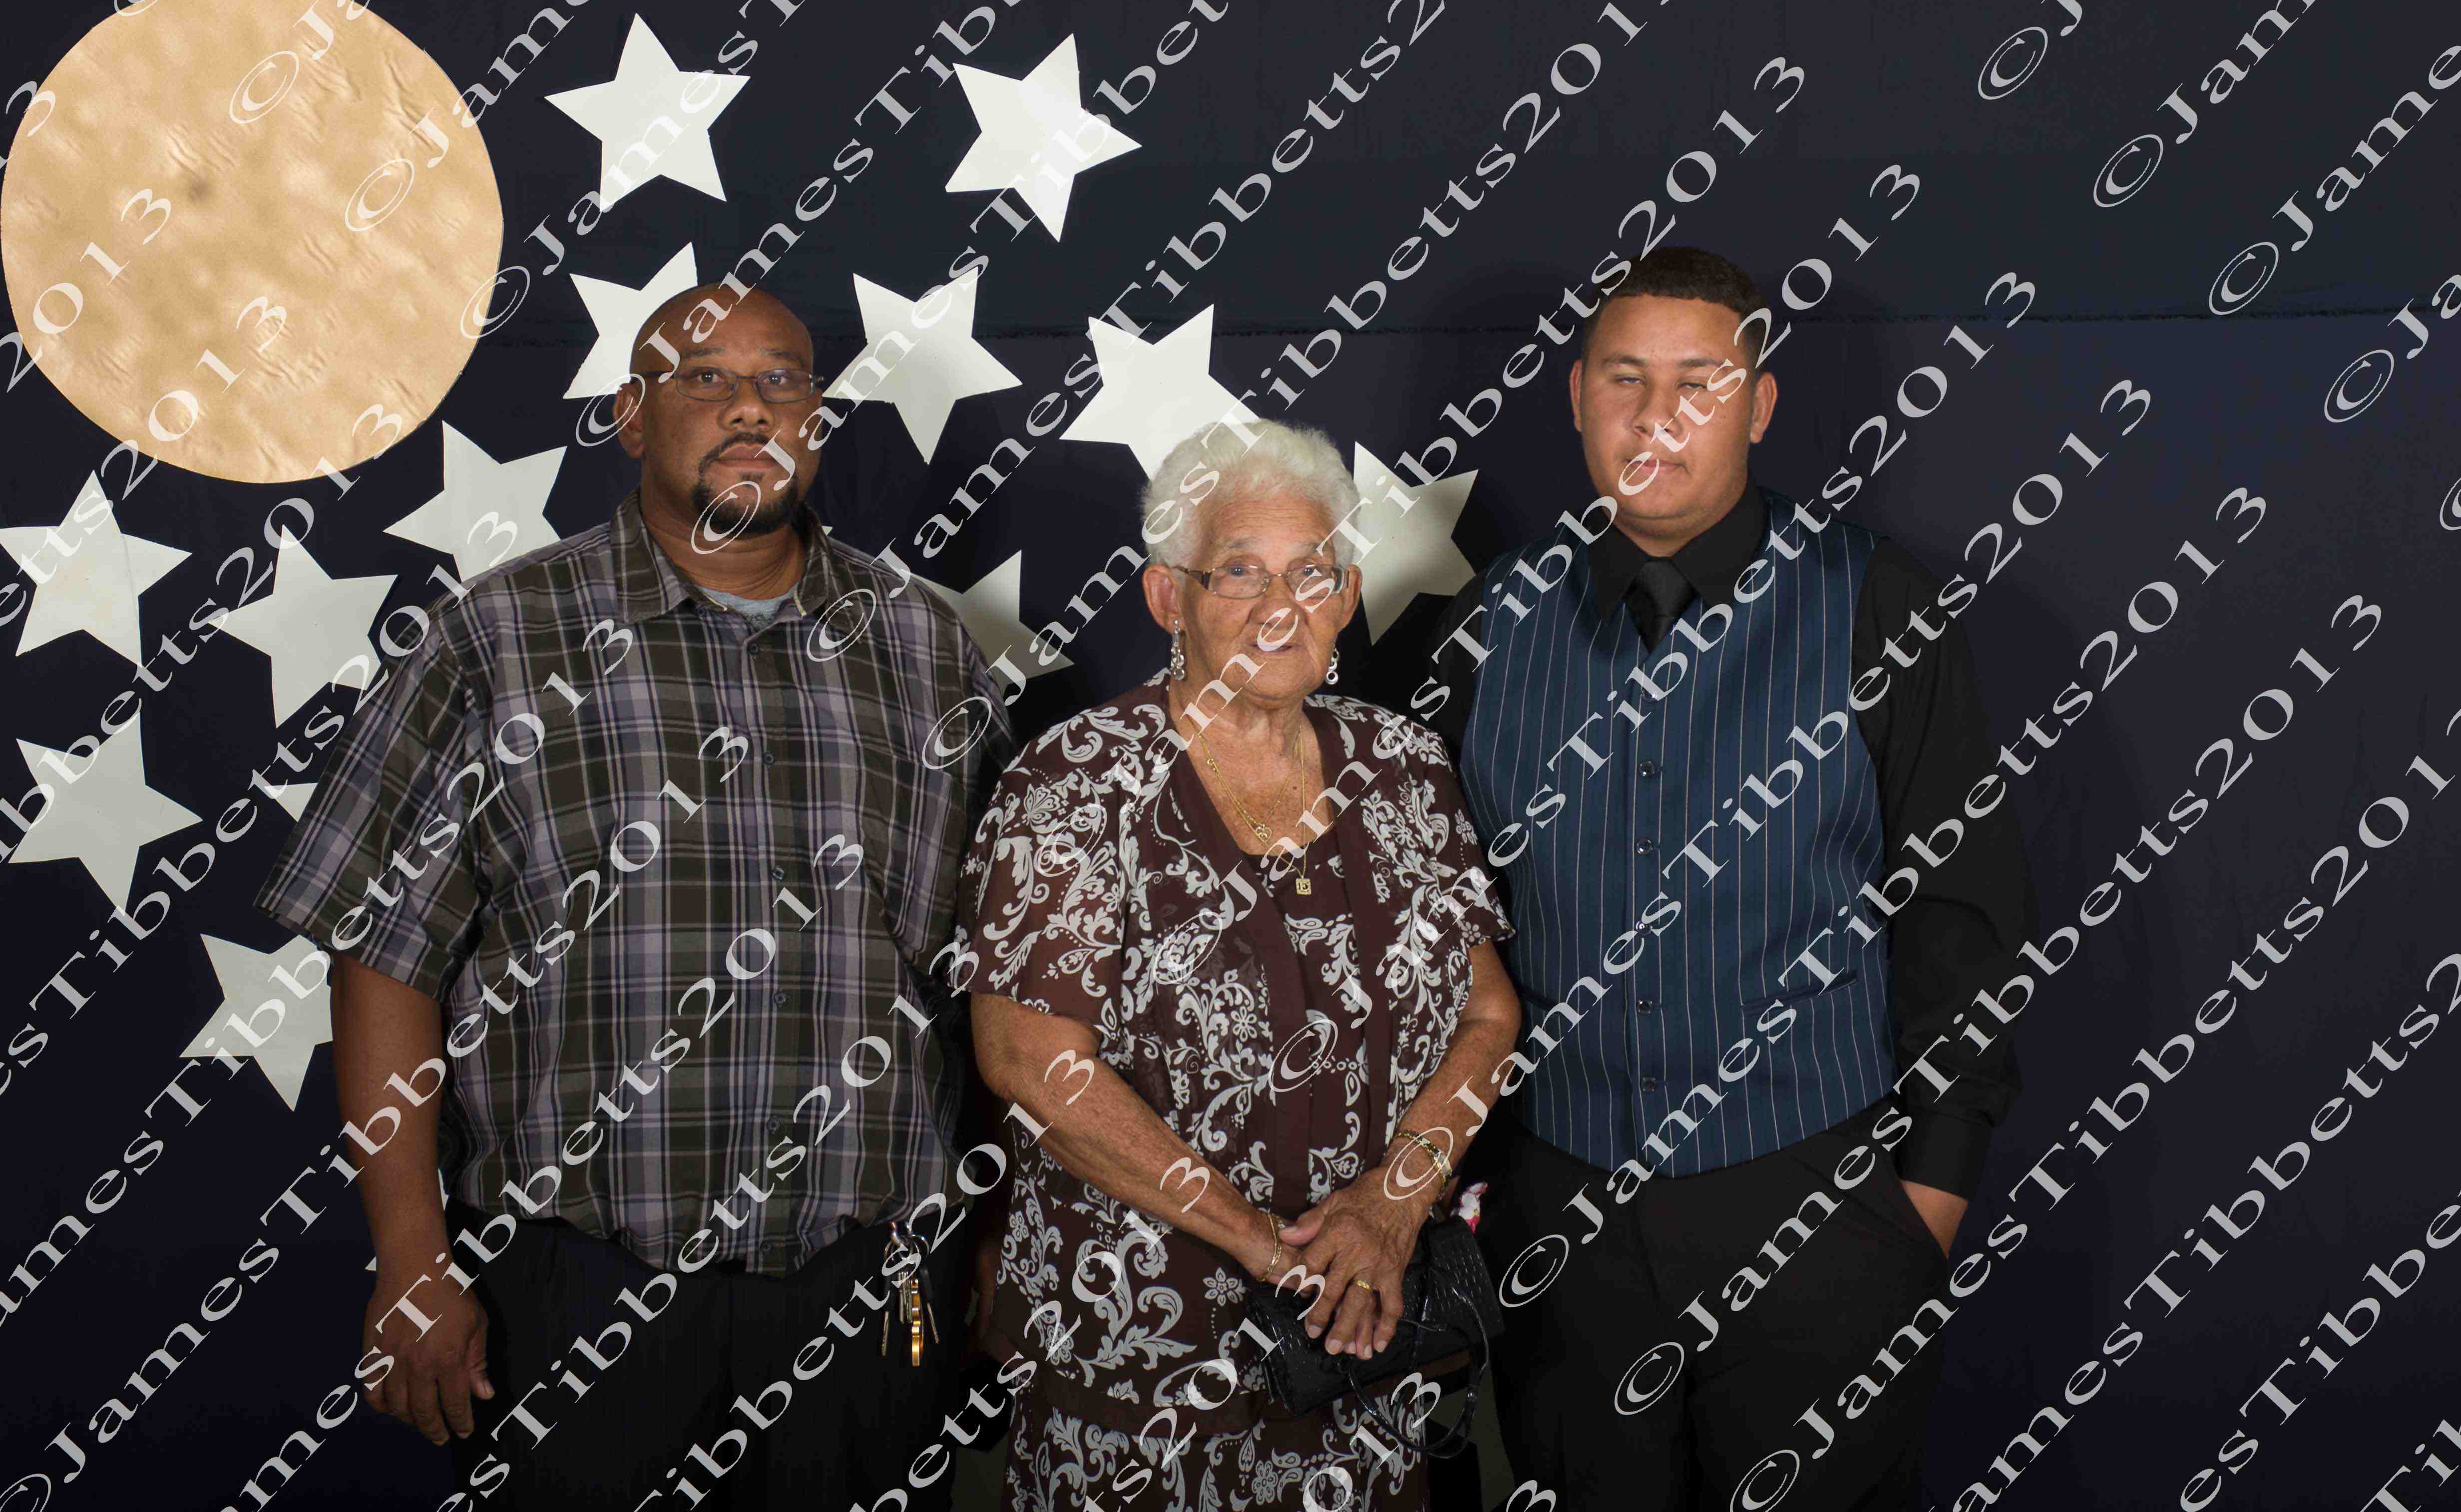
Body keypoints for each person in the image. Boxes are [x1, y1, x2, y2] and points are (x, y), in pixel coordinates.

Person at [256, 284, 1015, 1508]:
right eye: (703, 378)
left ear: (816, 420)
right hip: (573, 1291)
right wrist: (409, 1257)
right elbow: (385, 956)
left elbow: (994, 986)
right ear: (628, 414)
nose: (749, 409)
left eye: (781, 381)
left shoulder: (929, 654)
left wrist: (996, 1229)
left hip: (870, 1287)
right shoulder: (496, 642)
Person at [1412, 247, 2041, 1510]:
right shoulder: (1486, 626)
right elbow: (1436, 931)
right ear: (1577, 396)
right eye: (1625, 379)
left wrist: (1919, 1210)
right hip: (1559, 1224)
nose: (1657, 416)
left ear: (1756, 406)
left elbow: (1961, 920)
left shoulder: (1876, 605)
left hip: (1820, 1209)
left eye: (1698, 383)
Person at [958, 420, 1524, 1512]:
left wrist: (1391, 1209)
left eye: (1311, 572)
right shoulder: (1072, 784)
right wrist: (1268, 1251)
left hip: (1365, 1353)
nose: (1282, 606)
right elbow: (1030, 1065)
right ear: (1168, 597)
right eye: (1239, 572)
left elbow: (1488, 1017)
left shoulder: (1404, 767)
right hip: (1137, 1366)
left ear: (1347, 596)